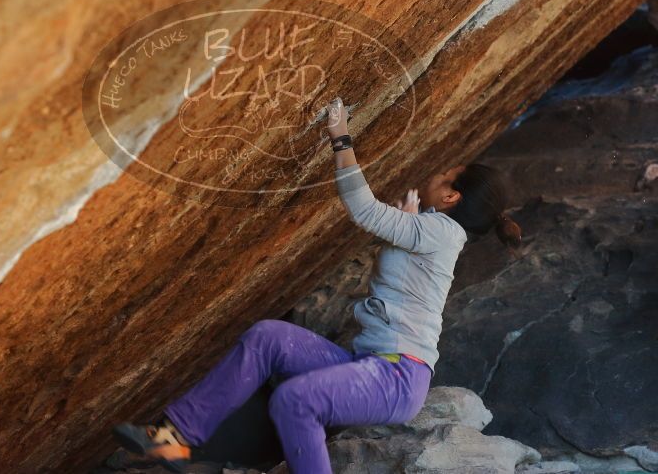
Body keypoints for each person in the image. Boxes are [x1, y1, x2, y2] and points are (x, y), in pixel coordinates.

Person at [111, 97, 523, 473]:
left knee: (295, 400)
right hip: (370, 365)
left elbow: (363, 209)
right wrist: (409, 221)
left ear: (451, 197)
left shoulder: (442, 233)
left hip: (395, 378)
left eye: (448, 174)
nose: (438, 172)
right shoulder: (432, 232)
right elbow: (402, 254)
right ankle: (173, 439)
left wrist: (341, 138)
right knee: (267, 337)